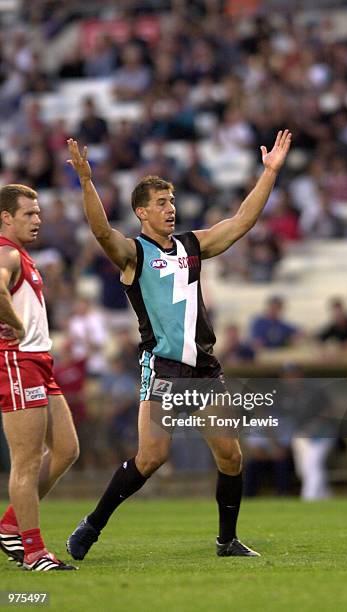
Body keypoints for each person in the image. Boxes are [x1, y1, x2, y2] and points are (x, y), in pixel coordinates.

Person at [65, 130, 292, 560]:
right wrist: (86, 182)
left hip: (204, 369)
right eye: (162, 204)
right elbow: (100, 232)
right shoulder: (133, 253)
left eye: (172, 202)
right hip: (165, 367)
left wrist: (270, 174)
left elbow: (241, 222)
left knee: (231, 456)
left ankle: (227, 542)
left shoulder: (192, 245)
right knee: (151, 459)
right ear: (141, 212)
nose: (171, 209)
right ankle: (91, 525)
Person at [0, 184, 79, 571]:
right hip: (18, 361)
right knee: (26, 462)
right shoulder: (7, 252)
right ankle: (33, 552)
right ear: (6, 217)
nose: (37, 219)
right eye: (29, 213)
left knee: (66, 448)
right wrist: (13, 324)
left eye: (38, 212)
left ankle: (10, 526)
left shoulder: (20, 255)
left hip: (39, 362)